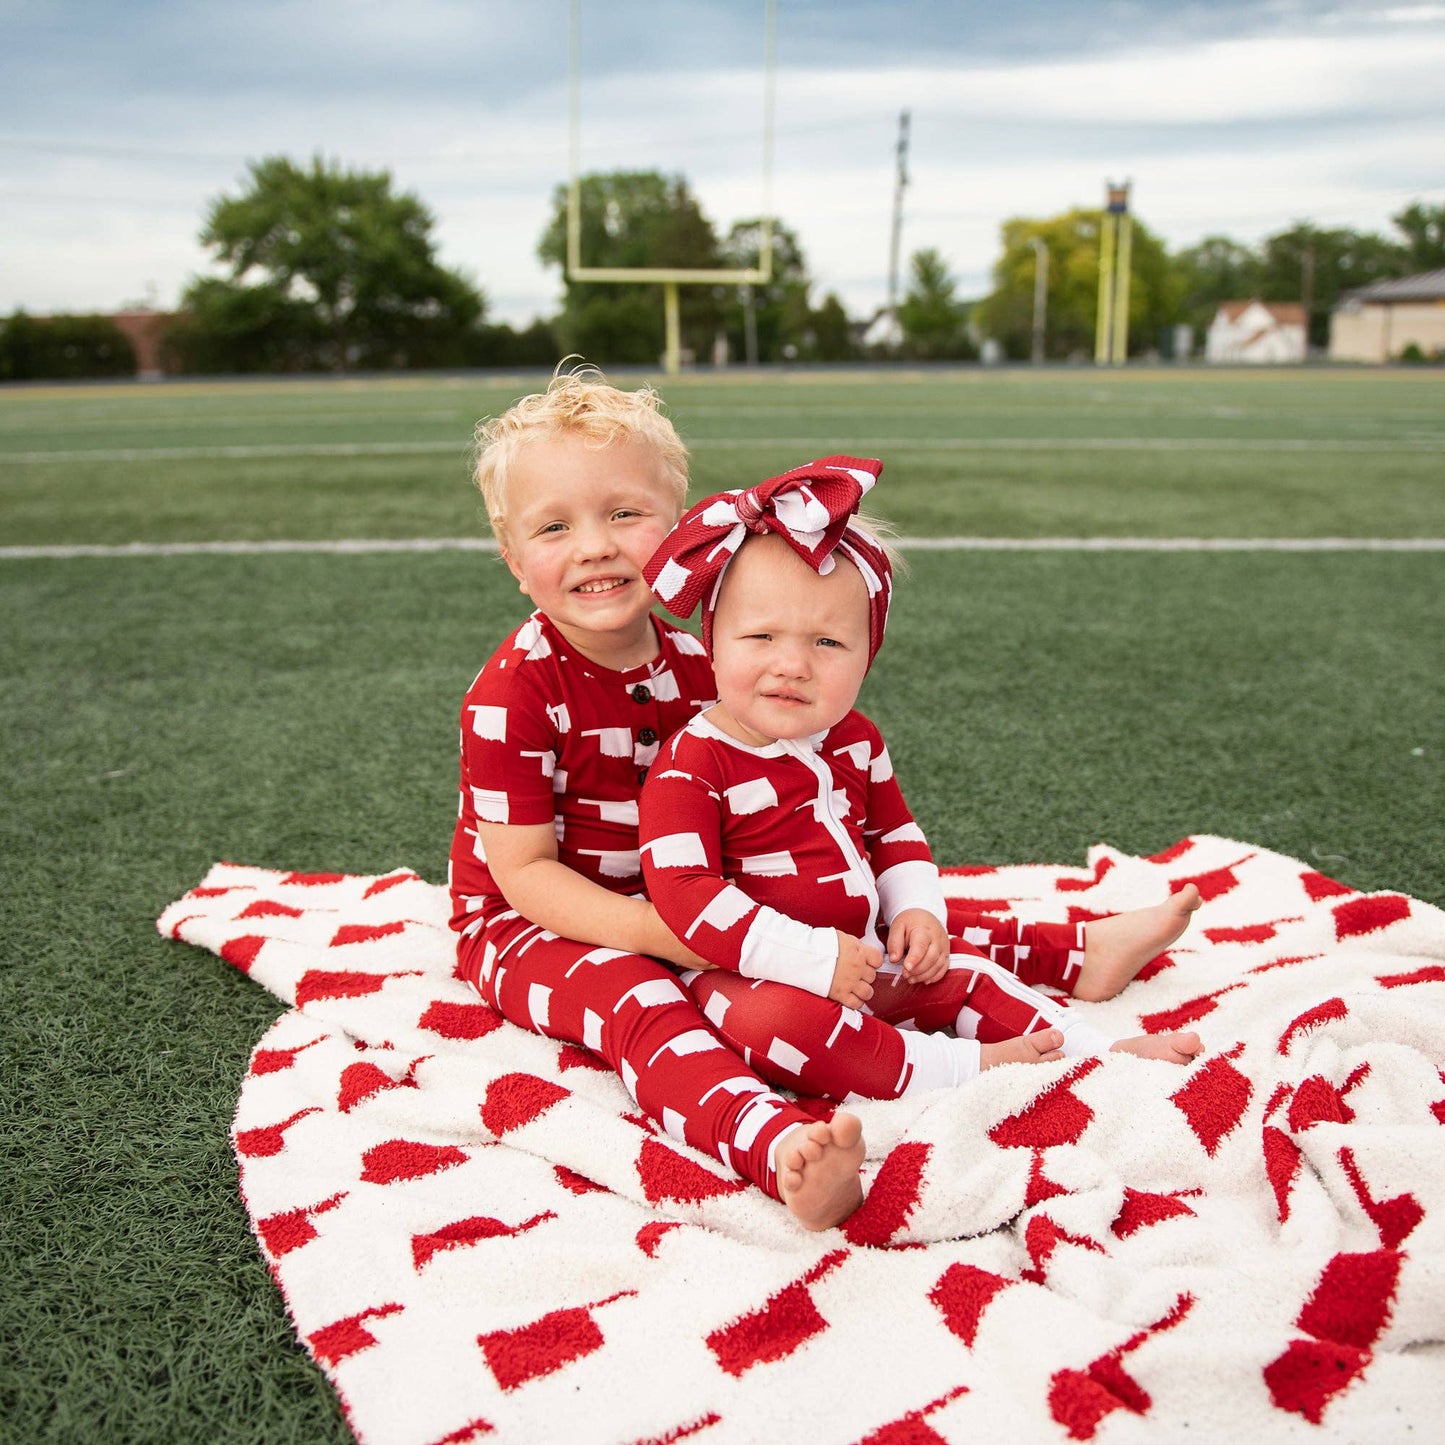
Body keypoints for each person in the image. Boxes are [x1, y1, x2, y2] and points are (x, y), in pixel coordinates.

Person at [639, 456, 1204, 1104]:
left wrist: (915, 908)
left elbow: (893, 834)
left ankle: (1095, 1053)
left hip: (863, 949)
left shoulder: (855, 738)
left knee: (962, 969)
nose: (790, 663)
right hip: (749, 973)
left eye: (827, 643)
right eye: (760, 635)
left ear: (866, 655)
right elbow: (686, 896)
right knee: (781, 1029)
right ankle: (965, 1067)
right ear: (713, 642)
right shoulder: (691, 764)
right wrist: (807, 959)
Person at [448, 370, 866, 1230]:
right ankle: (772, 1143)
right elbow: (522, 871)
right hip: (532, 922)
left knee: (841, 912)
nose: (595, 545)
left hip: (684, 890)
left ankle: (1042, 978)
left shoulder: (701, 661)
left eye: (623, 514)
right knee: (639, 998)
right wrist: (649, 930)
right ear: (513, 558)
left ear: (678, 531)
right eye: (554, 526)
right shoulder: (514, 694)